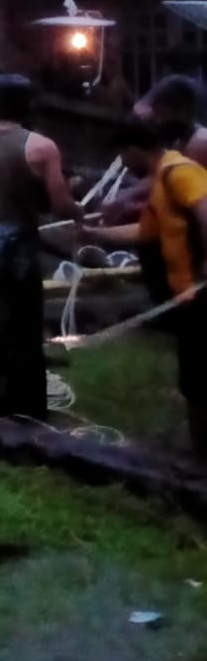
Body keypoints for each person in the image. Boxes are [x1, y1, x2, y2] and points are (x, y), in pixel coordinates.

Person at [0, 75, 83, 418]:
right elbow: (60, 203)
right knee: (22, 325)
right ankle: (23, 406)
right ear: (28, 105)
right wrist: (78, 208)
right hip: (17, 251)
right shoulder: (42, 147)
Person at [83, 117, 207, 457]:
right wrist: (94, 235)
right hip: (187, 299)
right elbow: (144, 233)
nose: (123, 165)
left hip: (201, 294)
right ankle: (199, 455)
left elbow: (205, 208)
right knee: (194, 378)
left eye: (123, 156)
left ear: (133, 150)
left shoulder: (178, 172)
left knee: (199, 380)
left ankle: (200, 463)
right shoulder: (161, 185)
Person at [101, 76, 207, 226]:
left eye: (163, 114)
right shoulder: (178, 140)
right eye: (157, 114)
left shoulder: (199, 143)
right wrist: (127, 196)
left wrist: (131, 207)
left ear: (182, 112)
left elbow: (176, 197)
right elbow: (160, 179)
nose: (157, 121)